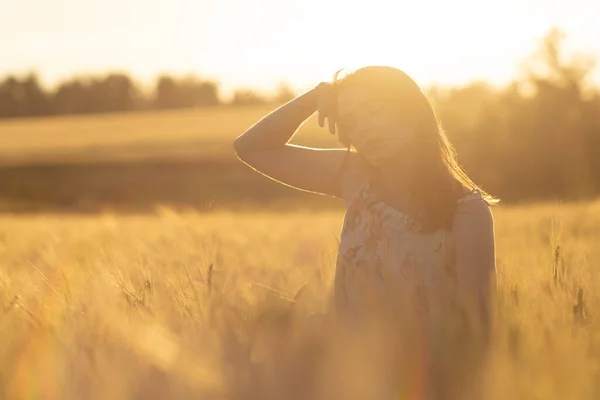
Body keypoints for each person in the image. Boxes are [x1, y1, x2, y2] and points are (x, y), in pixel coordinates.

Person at [234, 66, 497, 399]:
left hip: (419, 383)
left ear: (411, 112)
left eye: (375, 111)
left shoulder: (467, 211)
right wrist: (316, 97)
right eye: (352, 120)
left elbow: (478, 328)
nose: (365, 127)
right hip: (341, 377)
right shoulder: (354, 177)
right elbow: (251, 148)